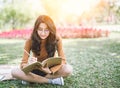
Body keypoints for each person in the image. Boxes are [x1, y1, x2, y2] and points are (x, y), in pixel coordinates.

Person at [11, 15, 73, 85]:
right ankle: (51, 81)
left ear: (50, 29)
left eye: (46, 30)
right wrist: (29, 64)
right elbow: (23, 64)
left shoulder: (57, 38)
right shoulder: (30, 40)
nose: (43, 33)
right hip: (35, 69)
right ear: (36, 29)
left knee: (68, 69)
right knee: (14, 72)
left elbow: (63, 60)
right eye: (40, 29)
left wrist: (50, 70)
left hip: (50, 69)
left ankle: (32, 79)